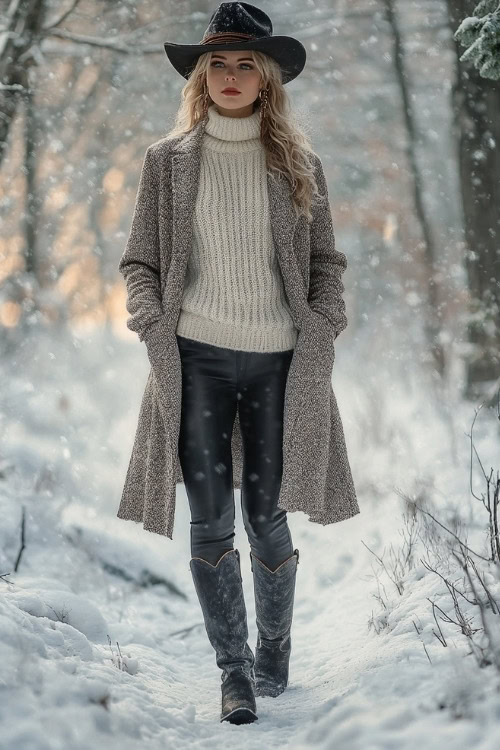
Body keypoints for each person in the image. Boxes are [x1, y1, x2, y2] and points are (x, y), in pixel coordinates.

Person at [120, 1, 357, 726]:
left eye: (243, 63)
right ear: (200, 75)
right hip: (194, 362)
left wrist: (325, 318)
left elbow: (325, 261)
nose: (229, 75)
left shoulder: (296, 163)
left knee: (267, 516)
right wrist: (151, 316)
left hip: (280, 366)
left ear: (266, 78)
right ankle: (234, 673)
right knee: (210, 519)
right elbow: (140, 260)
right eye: (216, 63)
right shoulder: (168, 162)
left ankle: (274, 647)